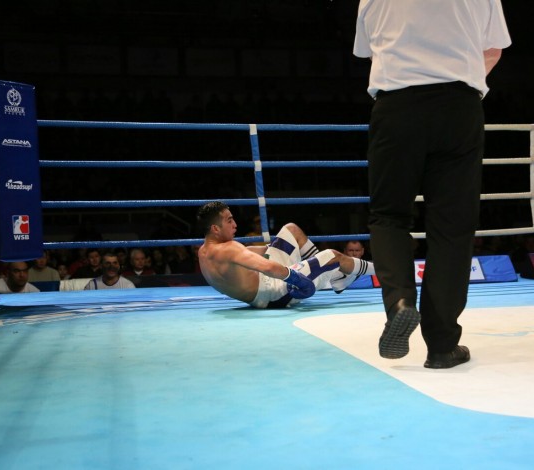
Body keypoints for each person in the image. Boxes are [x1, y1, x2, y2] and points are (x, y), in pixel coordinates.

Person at [354, 1, 511, 368]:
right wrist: (459, 74)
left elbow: (370, 51)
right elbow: (493, 50)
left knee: (389, 216)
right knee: (452, 227)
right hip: (458, 106)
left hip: (397, 106)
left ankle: (399, 302)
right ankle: (442, 346)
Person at [196, 201, 374, 308]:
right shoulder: (229, 248)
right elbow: (267, 267)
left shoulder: (204, 252)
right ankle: (380, 270)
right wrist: (297, 279)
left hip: (261, 292)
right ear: (215, 228)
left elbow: (243, 256)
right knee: (332, 256)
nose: (235, 224)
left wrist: (272, 248)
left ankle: (333, 276)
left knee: (291, 229)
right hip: (275, 292)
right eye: (229, 221)